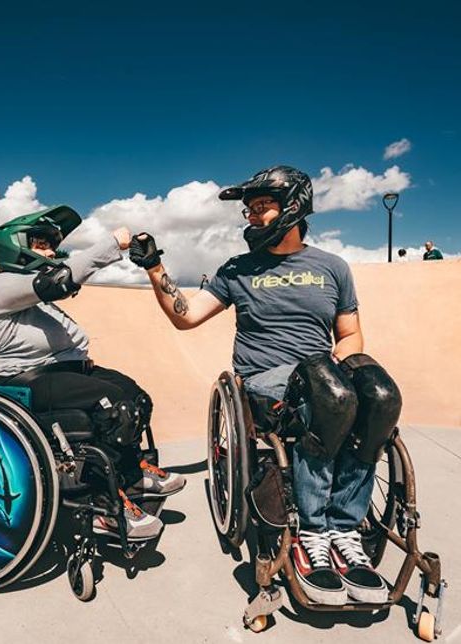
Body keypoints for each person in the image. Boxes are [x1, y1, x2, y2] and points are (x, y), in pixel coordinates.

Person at [130, 166, 401, 606]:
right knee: (328, 397)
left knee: (381, 397)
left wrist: (345, 366)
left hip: (324, 372)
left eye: (262, 208)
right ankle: (313, 536)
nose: (252, 217)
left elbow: (350, 334)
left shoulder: (332, 268)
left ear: (292, 206)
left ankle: (345, 531)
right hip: (264, 381)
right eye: (249, 210)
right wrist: (154, 266)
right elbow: (186, 315)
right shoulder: (237, 270)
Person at [0, 206, 186, 542]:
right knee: (114, 405)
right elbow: (61, 280)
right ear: (15, 245)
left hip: (59, 372)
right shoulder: (1, 286)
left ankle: (132, 474)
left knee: (134, 396)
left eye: (51, 245)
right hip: (25, 381)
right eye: (41, 243)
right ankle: (103, 507)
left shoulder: (33, 299)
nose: (49, 251)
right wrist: (112, 244)